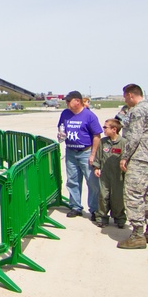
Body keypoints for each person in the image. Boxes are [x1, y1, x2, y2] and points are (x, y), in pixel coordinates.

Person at [117, 83, 148, 249]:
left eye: (125, 97)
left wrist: (125, 157)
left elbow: (134, 137)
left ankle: (137, 234)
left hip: (139, 157)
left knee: (133, 194)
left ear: (130, 95)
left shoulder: (137, 110)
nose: (125, 100)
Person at [57, 90, 102, 220]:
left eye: (68, 101)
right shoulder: (65, 114)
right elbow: (60, 127)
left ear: (77, 101)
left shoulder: (89, 116)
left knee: (92, 181)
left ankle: (94, 209)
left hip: (86, 152)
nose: (66, 103)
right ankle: (75, 207)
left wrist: (93, 155)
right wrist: (60, 135)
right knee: (72, 180)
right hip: (71, 152)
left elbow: (97, 136)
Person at [90, 118, 126, 228]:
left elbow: (126, 157)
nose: (103, 129)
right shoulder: (103, 142)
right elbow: (98, 155)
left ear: (114, 129)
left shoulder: (123, 142)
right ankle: (101, 217)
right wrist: (96, 167)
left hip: (118, 175)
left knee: (118, 197)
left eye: (106, 127)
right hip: (105, 174)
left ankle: (119, 218)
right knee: (103, 196)